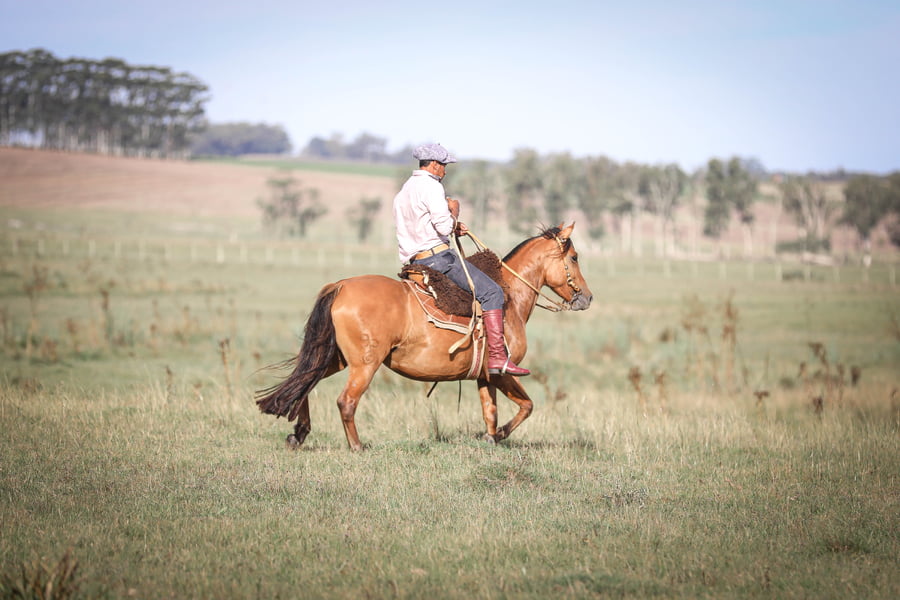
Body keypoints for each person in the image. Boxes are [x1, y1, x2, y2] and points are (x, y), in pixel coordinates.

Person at [393, 143, 530, 376]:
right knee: (493, 292)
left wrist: (454, 226)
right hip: (439, 260)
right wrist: (454, 213)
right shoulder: (432, 187)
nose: (445, 170)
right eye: (443, 165)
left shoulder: (405, 190)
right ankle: (498, 357)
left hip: (415, 262)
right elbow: (443, 227)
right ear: (434, 164)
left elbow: (424, 226)